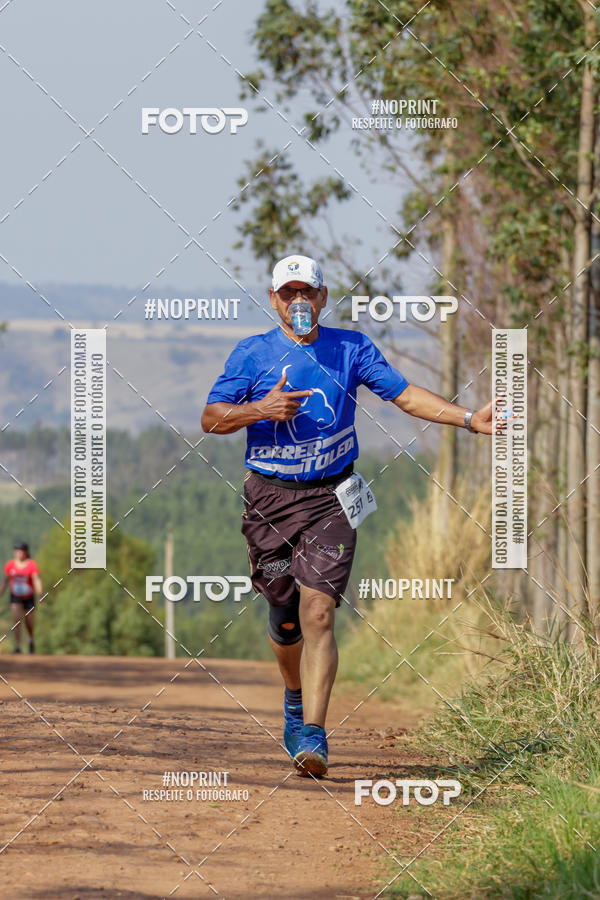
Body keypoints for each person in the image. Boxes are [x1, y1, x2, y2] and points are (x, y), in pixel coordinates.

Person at [201, 254, 495, 778]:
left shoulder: (351, 349)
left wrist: (470, 418)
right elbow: (211, 419)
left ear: (322, 297)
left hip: (332, 497)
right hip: (268, 499)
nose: (297, 302)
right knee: (286, 615)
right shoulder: (251, 355)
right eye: (287, 293)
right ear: (273, 300)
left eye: (306, 293)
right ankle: (292, 695)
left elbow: (405, 397)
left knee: (318, 613)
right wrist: (260, 410)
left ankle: (313, 733)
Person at [1, 542, 42, 654]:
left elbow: (36, 579)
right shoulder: (10, 565)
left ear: (26, 552)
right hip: (15, 597)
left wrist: (39, 593)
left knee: (29, 621)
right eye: (16, 550)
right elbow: (5, 581)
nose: (18, 553)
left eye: (21, 550)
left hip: (29, 597)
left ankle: (30, 639)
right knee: (17, 620)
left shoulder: (31, 564)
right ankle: (18, 646)